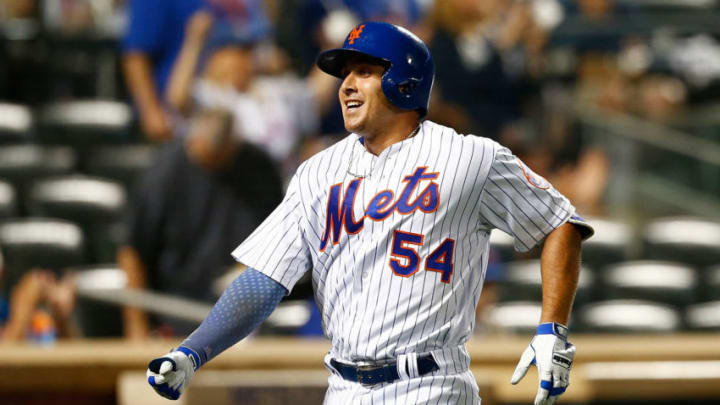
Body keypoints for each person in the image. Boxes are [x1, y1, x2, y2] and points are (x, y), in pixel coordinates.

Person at [146, 22, 593, 404]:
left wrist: (552, 326)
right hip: (343, 388)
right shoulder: (316, 172)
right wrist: (192, 352)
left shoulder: (469, 157)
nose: (345, 85)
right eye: (344, 75)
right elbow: (265, 277)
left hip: (431, 384)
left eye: (363, 71)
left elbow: (559, 223)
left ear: (405, 79)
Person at [119, 108, 283, 338]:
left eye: (222, 157)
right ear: (194, 141)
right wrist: (136, 327)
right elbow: (133, 251)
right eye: (208, 157)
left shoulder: (259, 169)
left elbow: (279, 238)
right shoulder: (164, 174)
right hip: (175, 312)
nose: (215, 164)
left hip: (244, 314)